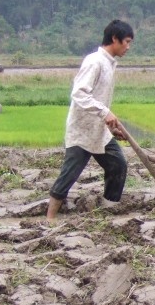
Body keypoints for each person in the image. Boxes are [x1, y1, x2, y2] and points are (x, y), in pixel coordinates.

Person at [46, 19, 134, 221]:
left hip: (99, 131)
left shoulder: (110, 63)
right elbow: (79, 93)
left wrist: (110, 127)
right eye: (126, 42)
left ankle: (109, 208)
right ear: (114, 38)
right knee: (70, 173)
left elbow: (99, 97)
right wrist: (105, 113)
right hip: (82, 129)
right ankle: (50, 218)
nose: (128, 47)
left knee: (117, 165)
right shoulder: (94, 61)